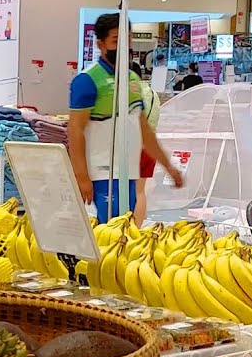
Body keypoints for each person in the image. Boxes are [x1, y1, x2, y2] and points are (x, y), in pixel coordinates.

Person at [69, 13, 183, 223]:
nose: (123, 46)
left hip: (128, 172)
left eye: (127, 40)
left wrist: (168, 166)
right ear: (100, 44)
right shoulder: (87, 80)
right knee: (107, 232)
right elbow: (75, 130)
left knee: (126, 230)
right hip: (100, 173)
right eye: (116, 40)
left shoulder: (132, 79)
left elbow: (144, 130)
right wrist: (81, 175)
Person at [134, 88, 163, 225]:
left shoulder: (130, 90)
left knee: (126, 191)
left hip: (133, 145)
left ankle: (123, 229)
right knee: (140, 191)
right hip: (149, 145)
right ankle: (137, 228)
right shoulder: (153, 93)